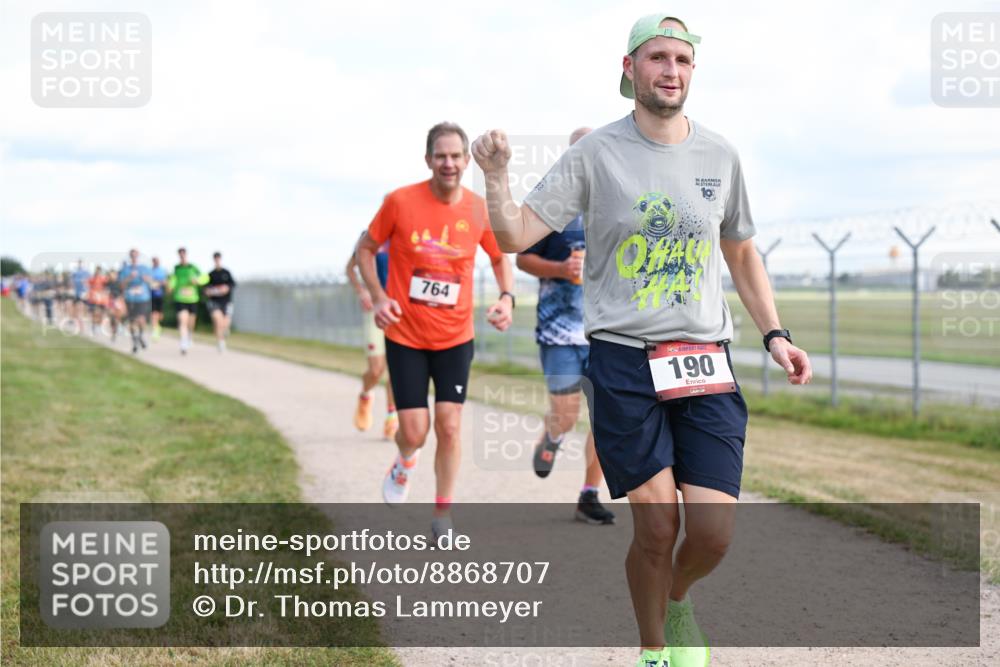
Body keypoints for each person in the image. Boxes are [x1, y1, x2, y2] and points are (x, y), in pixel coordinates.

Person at [472, 14, 813, 667]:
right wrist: (495, 176)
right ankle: (655, 647)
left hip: (704, 359)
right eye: (658, 57)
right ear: (629, 69)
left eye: (683, 61)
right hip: (624, 359)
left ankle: (677, 596)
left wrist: (775, 333)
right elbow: (515, 234)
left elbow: (740, 252)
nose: (671, 71)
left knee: (711, 534)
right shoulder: (595, 153)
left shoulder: (720, 154)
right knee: (657, 526)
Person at [356, 121, 515, 543]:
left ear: (467, 161)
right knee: (413, 430)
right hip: (405, 334)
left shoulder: (479, 209)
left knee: (448, 425)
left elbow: (501, 258)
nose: (449, 163)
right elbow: (365, 250)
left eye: (456, 156)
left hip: (455, 337)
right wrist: (377, 296)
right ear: (428, 160)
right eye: (440, 156)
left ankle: (442, 512)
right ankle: (405, 460)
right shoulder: (400, 201)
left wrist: (506, 297)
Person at [517, 126, 615, 526]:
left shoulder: (619, 204)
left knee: (606, 418)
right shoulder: (550, 204)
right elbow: (522, 258)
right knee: (567, 413)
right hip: (558, 330)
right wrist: (560, 268)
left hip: (608, 332)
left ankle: (589, 495)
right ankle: (553, 435)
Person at [346, 233, 398, 439]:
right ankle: (366, 395)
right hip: (376, 308)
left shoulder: (410, 234)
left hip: (400, 309)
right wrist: (362, 291)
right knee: (376, 369)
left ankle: (391, 418)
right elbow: (350, 268)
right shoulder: (372, 235)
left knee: (397, 368)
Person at [167, 247, 207, 355]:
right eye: (180, 254)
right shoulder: (176, 268)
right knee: (182, 320)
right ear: (178, 255)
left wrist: (197, 281)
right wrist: (170, 286)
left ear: (186, 254)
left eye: (183, 254)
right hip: (180, 298)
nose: (182, 256)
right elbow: (173, 279)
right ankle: (183, 342)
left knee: (191, 322)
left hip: (192, 298)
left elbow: (205, 277)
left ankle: (189, 335)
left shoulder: (193, 267)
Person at [119, 248, 153, 353]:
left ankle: (140, 336)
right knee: (132, 321)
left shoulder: (144, 268)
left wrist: (146, 279)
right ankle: (134, 342)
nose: (134, 257)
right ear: (130, 256)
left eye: (136, 255)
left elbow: (152, 283)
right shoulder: (125, 270)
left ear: (138, 256)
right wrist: (129, 278)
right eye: (132, 255)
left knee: (141, 320)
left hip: (143, 298)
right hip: (130, 298)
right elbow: (121, 285)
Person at [204, 251, 236, 353]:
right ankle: (221, 343)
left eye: (218, 258)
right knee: (218, 321)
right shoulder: (210, 274)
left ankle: (224, 332)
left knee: (225, 323)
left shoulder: (226, 272)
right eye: (215, 258)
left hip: (226, 302)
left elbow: (233, 284)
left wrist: (226, 288)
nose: (217, 260)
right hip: (214, 302)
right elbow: (205, 289)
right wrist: (208, 291)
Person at [149, 256, 168, 340]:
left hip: (159, 295)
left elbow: (165, 282)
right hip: (151, 295)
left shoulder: (162, 271)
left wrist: (159, 284)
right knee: (153, 313)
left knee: (160, 315)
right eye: (154, 261)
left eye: (157, 261)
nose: (156, 262)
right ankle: (155, 330)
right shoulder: (149, 271)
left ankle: (158, 326)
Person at [86, 266, 109, 336]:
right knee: (95, 313)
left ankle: (98, 326)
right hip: (94, 298)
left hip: (102, 298)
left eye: (99, 271)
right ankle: (94, 327)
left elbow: (107, 285)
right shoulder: (92, 278)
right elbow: (87, 284)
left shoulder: (104, 278)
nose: (98, 272)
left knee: (101, 313)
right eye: (97, 271)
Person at [70, 260, 90, 335]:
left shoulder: (86, 272)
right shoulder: (75, 272)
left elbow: (88, 282)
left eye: (81, 263)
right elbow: (72, 282)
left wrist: (87, 291)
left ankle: (83, 325)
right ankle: (80, 326)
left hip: (83, 293)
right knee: (77, 310)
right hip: (77, 293)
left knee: (84, 310)